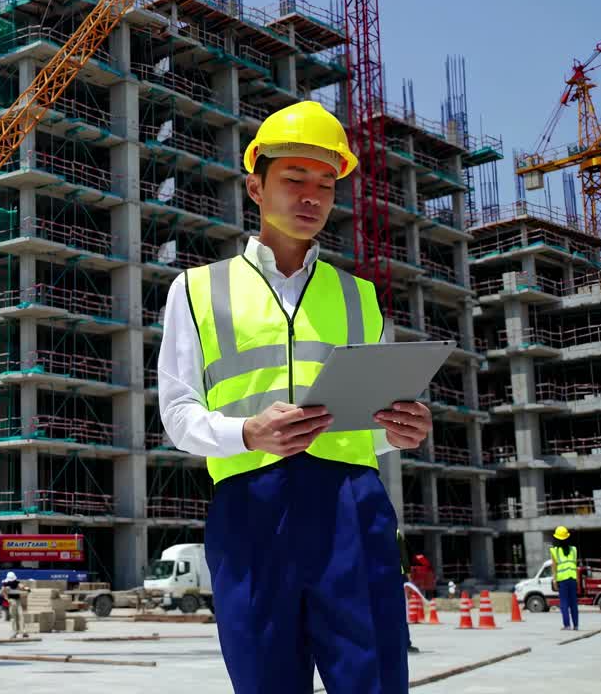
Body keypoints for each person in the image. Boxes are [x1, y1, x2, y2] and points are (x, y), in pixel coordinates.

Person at [157, 100, 434, 694]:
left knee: (375, 682)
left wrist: (400, 429)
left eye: (325, 184)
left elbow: (373, 421)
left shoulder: (361, 297)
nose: (311, 196)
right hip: (250, 508)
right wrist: (247, 433)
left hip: (352, 509)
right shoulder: (197, 290)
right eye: (294, 180)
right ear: (256, 188)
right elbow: (178, 415)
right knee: (265, 682)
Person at [550, 525, 579, 631]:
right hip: (572, 578)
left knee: (564, 603)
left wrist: (554, 580)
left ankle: (567, 625)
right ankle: (576, 625)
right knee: (573, 603)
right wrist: (578, 581)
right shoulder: (574, 550)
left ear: (557, 538)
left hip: (562, 580)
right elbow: (575, 565)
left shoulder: (555, 551)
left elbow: (554, 567)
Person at [398, 531, 419, 655]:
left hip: (387, 578)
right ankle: (405, 643)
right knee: (401, 614)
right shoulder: (395, 532)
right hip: (397, 578)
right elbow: (404, 559)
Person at [1, 572, 29, 639]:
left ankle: (23, 631)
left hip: (18, 600)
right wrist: (7, 599)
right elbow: (3, 592)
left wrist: (27, 589)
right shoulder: (5, 583)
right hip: (11, 600)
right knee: (14, 617)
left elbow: (22, 586)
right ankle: (15, 632)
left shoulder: (16, 582)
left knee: (21, 615)